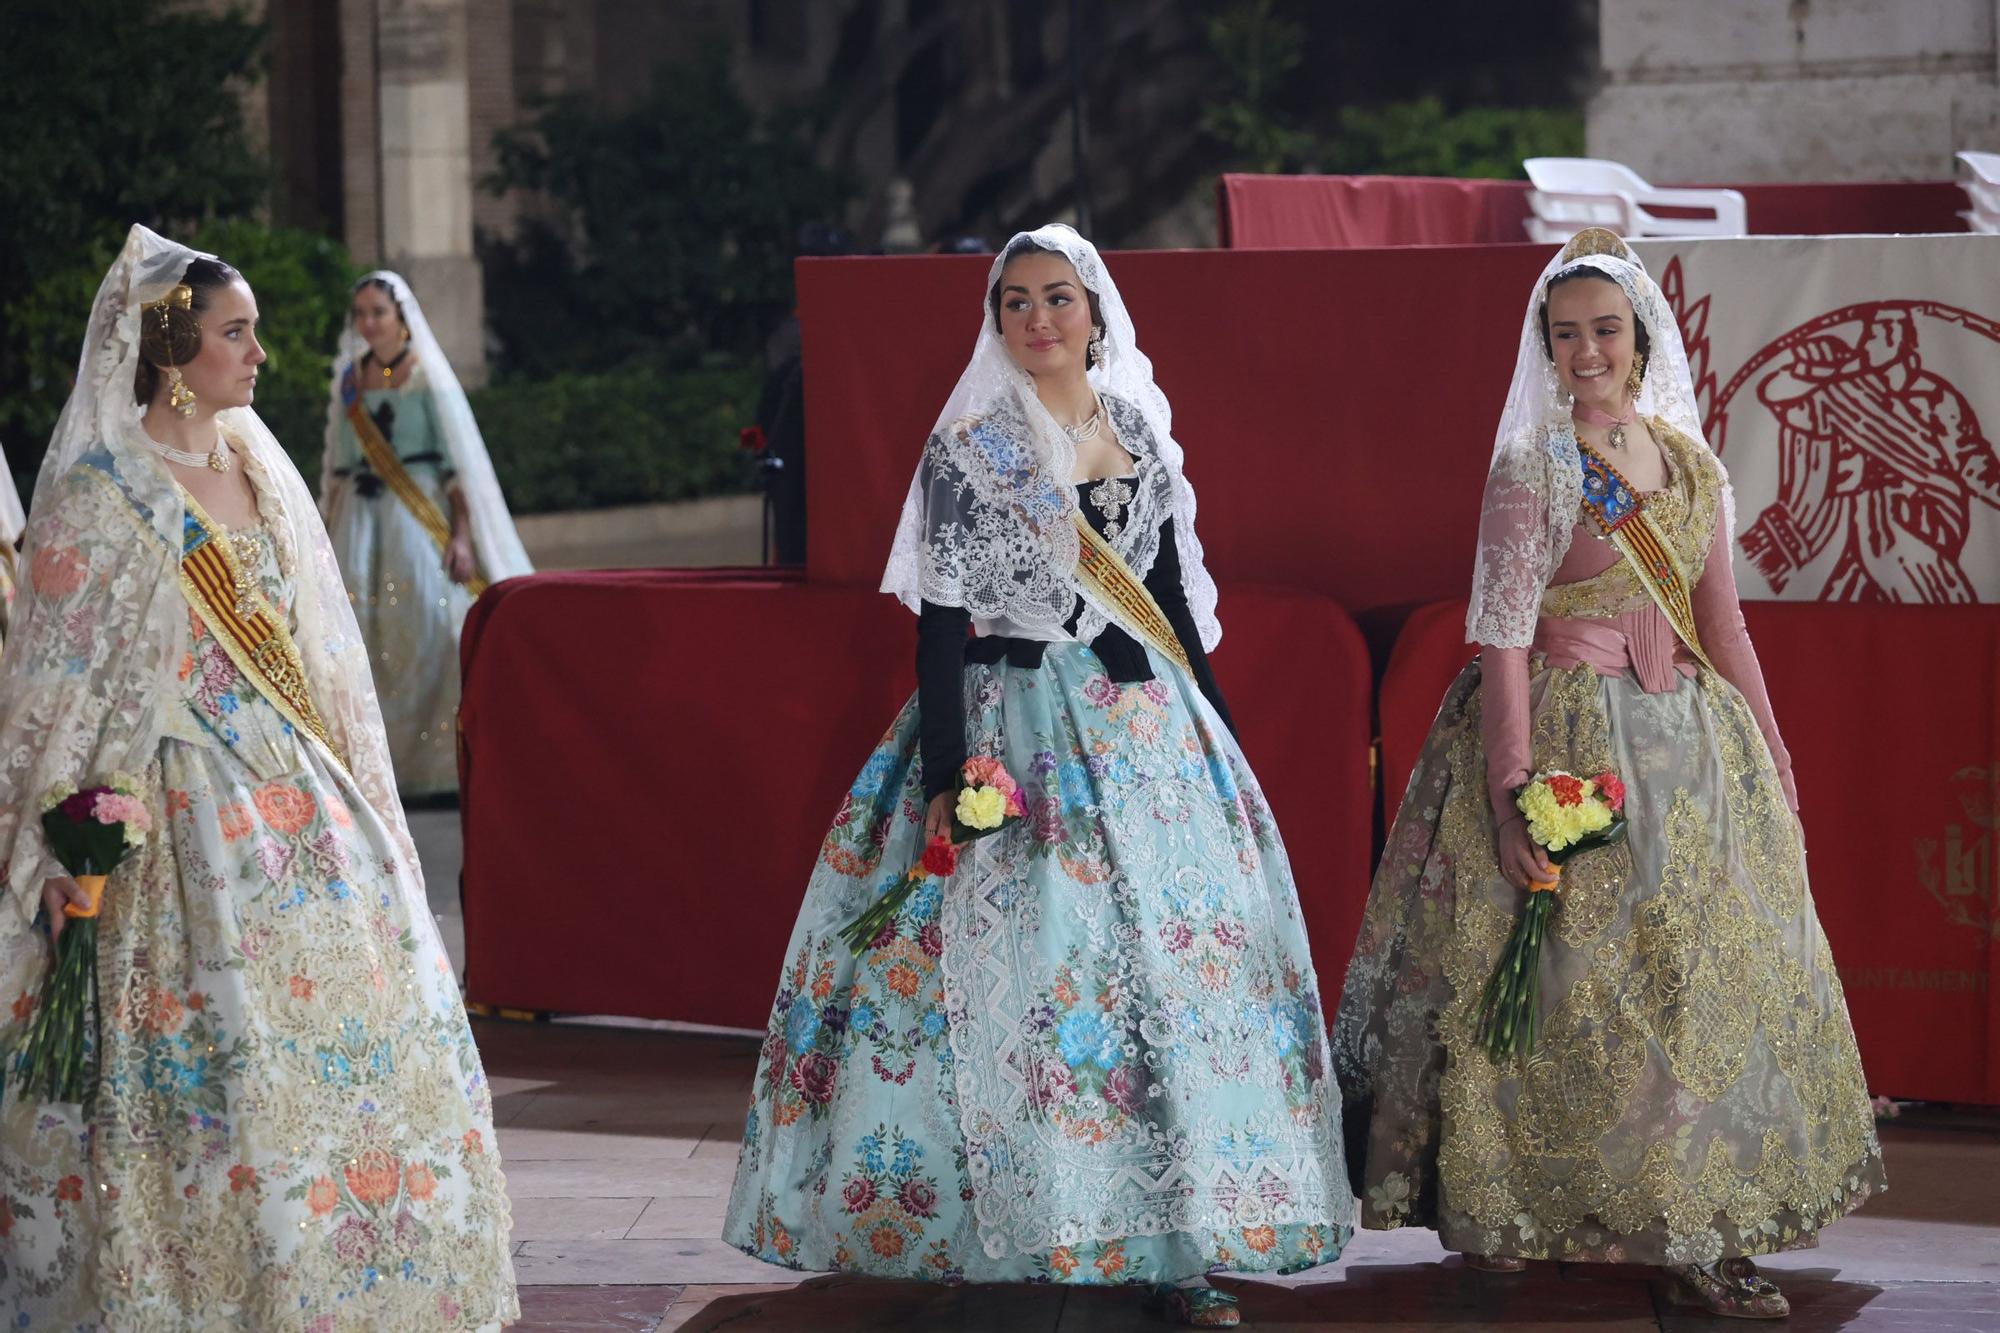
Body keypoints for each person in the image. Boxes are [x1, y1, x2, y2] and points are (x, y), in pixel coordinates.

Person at [723, 225, 1351, 1328]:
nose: (1037, 319)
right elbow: (941, 626)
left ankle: (1175, 1241)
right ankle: (1017, 1222)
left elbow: (1162, 599)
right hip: (1014, 726)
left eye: (1057, 298)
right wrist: (945, 770)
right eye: (1014, 301)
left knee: (1165, 986)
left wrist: (1219, 731)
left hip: (1148, 732)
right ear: (995, 318)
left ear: (1094, 311)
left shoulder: (1137, 432)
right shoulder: (972, 448)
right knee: (1042, 975)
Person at [1332, 228, 1884, 1319]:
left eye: (1605, 330)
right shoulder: (1529, 466)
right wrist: (1507, 793)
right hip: (1568, 738)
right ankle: (1515, 1209)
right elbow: (1498, 633)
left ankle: (1694, 1217)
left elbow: (1721, 622)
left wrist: (1769, 757)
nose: (1587, 350)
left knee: (1695, 978)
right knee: (1559, 994)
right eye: (1566, 332)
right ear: (1545, 345)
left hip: (1692, 747)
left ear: (1640, 341)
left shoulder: (1689, 464)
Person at [0, 226, 519, 1329]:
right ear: (172, 347)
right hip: (176, 818)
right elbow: (57, 679)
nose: (258, 353)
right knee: (215, 1075)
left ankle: (355, 1278)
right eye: (236, 334)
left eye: (254, 333)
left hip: (302, 799)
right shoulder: (104, 492)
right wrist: (64, 838)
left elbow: (312, 649)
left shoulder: (257, 468)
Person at [321, 273, 532, 798]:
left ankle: (435, 767)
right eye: (360, 314)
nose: (368, 323)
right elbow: (337, 464)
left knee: (434, 629)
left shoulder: (427, 378)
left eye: (378, 312)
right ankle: (376, 768)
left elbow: (457, 468)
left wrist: (461, 537)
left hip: (416, 517)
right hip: (358, 525)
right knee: (360, 638)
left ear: (401, 316)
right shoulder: (348, 380)